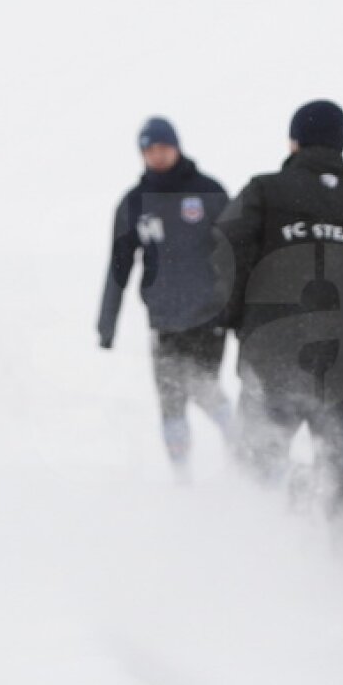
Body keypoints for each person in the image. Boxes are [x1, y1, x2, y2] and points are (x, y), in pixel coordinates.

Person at [220, 101, 343, 559]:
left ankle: (249, 570)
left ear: (295, 141)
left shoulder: (265, 192)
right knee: (339, 481)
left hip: (274, 358)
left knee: (255, 470)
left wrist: (234, 321)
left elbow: (226, 253)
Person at [97, 117, 233, 479]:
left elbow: (238, 253)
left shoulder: (210, 193)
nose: (157, 155)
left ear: (177, 146)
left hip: (209, 318)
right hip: (164, 321)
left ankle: (241, 446)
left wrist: (242, 311)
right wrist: (106, 323)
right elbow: (118, 268)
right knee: (171, 403)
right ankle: (182, 478)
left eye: (163, 147)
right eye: (149, 150)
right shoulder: (134, 203)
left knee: (205, 390)